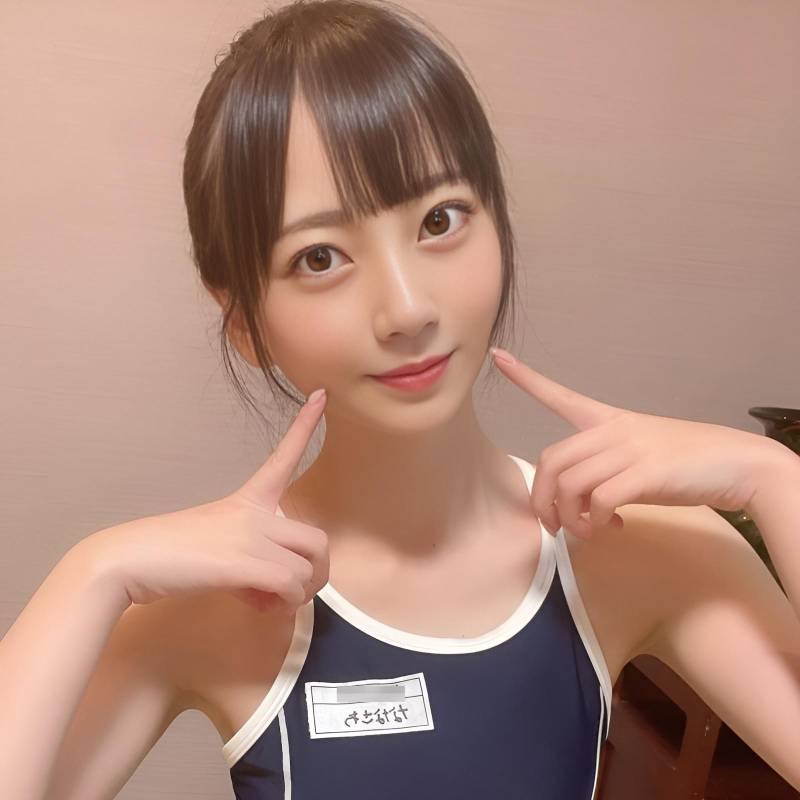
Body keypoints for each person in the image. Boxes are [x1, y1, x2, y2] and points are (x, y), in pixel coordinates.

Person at [2, 1, 799, 798]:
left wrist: (774, 479)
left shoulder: (635, 547)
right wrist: (91, 571)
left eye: (440, 220)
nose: (408, 309)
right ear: (245, 321)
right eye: (320, 258)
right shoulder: (215, 603)